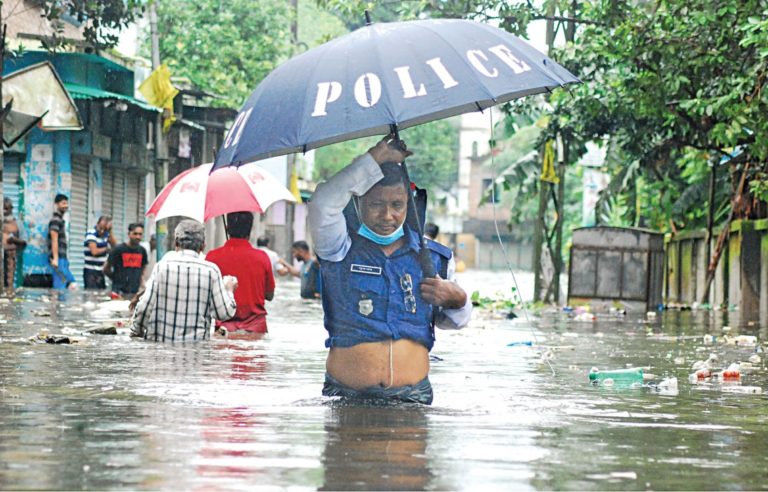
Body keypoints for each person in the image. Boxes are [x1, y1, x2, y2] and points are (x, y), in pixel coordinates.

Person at [308, 135, 472, 405]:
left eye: (396, 205)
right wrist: (374, 157)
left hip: (414, 399)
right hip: (348, 398)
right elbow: (322, 203)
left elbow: (455, 322)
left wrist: (458, 299)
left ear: (409, 203)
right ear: (359, 203)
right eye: (376, 205)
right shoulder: (338, 248)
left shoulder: (435, 258)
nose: (387, 216)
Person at [131, 219, 237, 342]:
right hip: (196, 354)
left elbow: (145, 308)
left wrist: (136, 332)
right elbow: (224, 313)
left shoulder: (162, 267)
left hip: (161, 355)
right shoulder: (211, 271)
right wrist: (229, 290)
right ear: (203, 245)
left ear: (176, 243)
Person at [206, 212, 275, 334]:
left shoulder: (212, 257)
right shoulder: (262, 258)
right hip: (256, 329)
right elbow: (269, 295)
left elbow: (207, 297)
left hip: (222, 330)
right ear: (251, 230)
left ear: (227, 229)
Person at [104, 222, 149, 297]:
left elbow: (143, 268)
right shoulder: (118, 249)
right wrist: (116, 279)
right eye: (135, 234)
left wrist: (141, 282)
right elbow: (106, 269)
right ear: (129, 234)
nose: (138, 237)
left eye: (140, 234)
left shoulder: (142, 251)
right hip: (118, 292)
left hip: (134, 293)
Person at [48, 193, 77, 290]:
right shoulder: (55, 220)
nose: (66, 206)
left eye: (66, 203)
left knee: (71, 284)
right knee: (59, 287)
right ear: (56, 204)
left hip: (63, 259)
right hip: (59, 260)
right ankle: (56, 305)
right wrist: (55, 259)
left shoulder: (60, 220)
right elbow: (54, 240)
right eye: (63, 203)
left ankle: (61, 304)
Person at [83, 215, 116, 289]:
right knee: (91, 294)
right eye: (100, 228)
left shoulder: (106, 234)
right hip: (91, 271)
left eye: (104, 229)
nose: (101, 231)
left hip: (101, 270)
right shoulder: (91, 233)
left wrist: (110, 231)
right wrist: (106, 249)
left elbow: (115, 247)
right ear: (97, 224)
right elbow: (94, 252)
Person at [3, 198, 26, 289]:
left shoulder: (17, 223)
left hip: (10, 255)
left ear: (11, 209)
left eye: (7, 208)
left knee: (8, 282)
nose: (5, 210)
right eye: (3, 208)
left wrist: (13, 240)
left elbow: (24, 241)